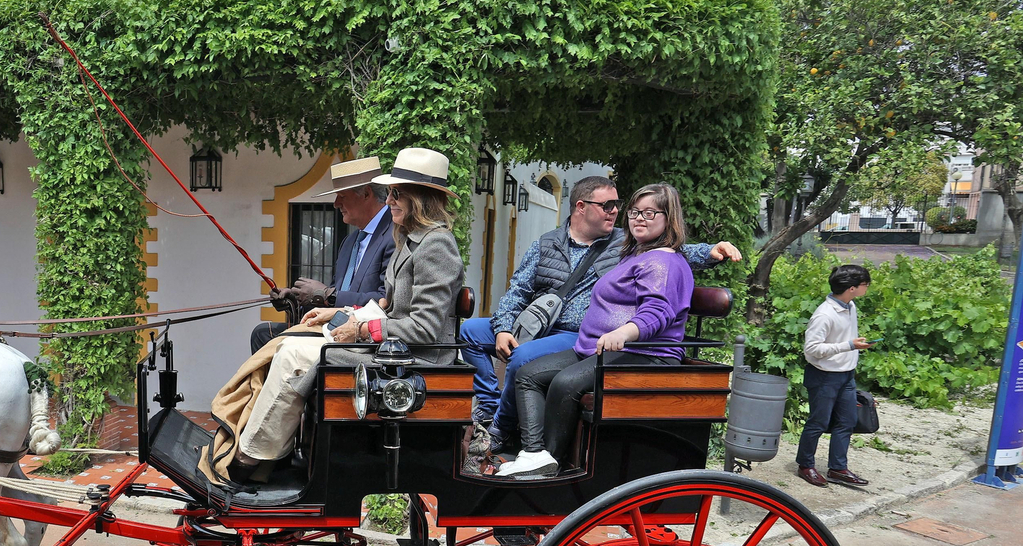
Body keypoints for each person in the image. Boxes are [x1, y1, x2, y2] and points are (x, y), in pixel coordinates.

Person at [459, 175, 742, 458]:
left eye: (619, 206)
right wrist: (504, 328)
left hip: (578, 332)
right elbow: (517, 290)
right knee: (471, 331)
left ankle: (501, 430)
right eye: (608, 206)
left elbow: (668, 255)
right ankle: (489, 401)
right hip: (540, 323)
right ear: (582, 207)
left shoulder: (622, 244)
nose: (616, 212)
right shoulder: (547, 244)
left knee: (522, 358)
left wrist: (711, 252)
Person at [228, 147, 463, 478]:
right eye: (390, 193)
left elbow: (425, 328)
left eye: (397, 194)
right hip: (394, 349)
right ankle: (265, 451)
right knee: (286, 344)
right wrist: (335, 315)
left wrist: (362, 331)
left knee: (297, 354)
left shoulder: (437, 245)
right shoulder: (410, 239)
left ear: (420, 198)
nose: (389, 200)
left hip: (416, 359)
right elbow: (388, 305)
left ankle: (253, 459)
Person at [498, 183, 695, 478]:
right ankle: (534, 453)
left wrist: (625, 332)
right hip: (597, 349)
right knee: (528, 375)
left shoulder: (663, 261)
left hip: (644, 354)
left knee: (565, 384)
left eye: (650, 213)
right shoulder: (635, 254)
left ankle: (551, 460)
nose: (639, 218)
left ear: (669, 218)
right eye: (635, 212)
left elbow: (658, 312)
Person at [250, 157, 396, 353]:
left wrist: (328, 295)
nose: (336, 204)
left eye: (341, 196)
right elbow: (336, 297)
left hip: (361, 336)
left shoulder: (395, 235)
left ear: (366, 194)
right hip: (335, 324)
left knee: (276, 343)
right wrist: (297, 299)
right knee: (262, 334)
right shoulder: (350, 242)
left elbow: (385, 301)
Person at [796, 263, 873, 487]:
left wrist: (853, 347)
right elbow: (811, 349)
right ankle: (805, 465)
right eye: (864, 285)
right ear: (851, 288)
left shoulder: (851, 306)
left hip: (846, 374)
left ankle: (838, 468)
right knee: (818, 422)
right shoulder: (824, 315)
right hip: (823, 376)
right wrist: (848, 345)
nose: (866, 288)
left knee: (847, 421)